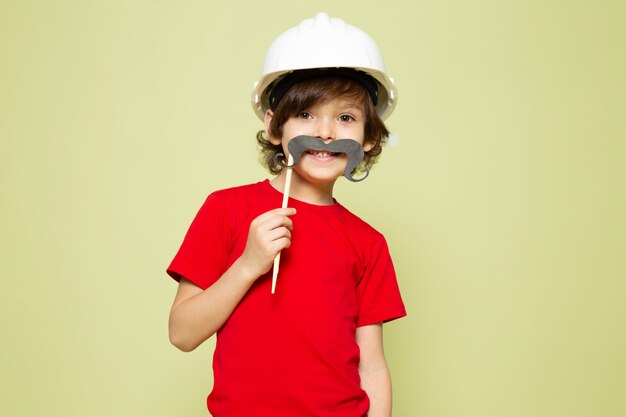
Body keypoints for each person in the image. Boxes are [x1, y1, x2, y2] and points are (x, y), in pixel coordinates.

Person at [167, 12, 406, 417]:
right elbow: (182, 334)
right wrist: (248, 265)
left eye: (345, 118)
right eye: (306, 114)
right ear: (275, 128)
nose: (327, 132)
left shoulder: (369, 243)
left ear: (367, 139)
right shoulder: (225, 210)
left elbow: (372, 365)